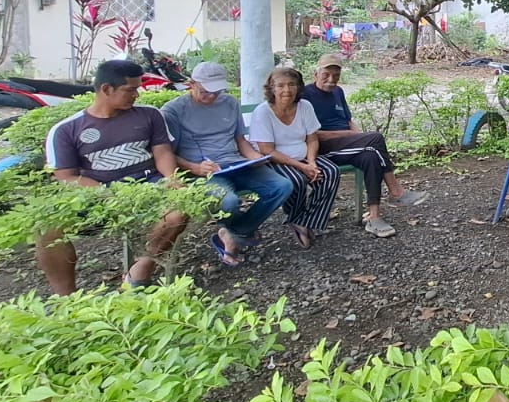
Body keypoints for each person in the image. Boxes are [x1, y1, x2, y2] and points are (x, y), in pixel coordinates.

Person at [39, 58, 190, 294]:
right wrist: (104, 193)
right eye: (130, 90)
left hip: (148, 185)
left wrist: (172, 178)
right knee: (47, 228)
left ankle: (140, 269)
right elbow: (66, 176)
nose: (136, 95)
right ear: (106, 89)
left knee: (179, 210)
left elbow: (162, 152)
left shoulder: (149, 115)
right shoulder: (66, 130)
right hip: (98, 194)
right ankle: (66, 298)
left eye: (138, 89)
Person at [160, 61, 294, 268]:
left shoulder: (229, 102)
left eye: (217, 91)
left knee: (282, 186)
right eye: (206, 92)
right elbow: (166, 153)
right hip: (203, 172)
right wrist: (195, 168)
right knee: (229, 203)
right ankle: (237, 233)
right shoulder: (173, 111)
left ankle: (233, 233)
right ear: (191, 84)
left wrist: (254, 157)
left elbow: (240, 140)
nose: (212, 96)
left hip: (236, 163)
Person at [302, 53, 427, 237]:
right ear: (316, 74)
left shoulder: (338, 92)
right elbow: (310, 135)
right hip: (324, 148)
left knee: (370, 155)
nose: (331, 79)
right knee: (375, 138)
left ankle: (374, 218)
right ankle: (396, 191)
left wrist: (358, 135)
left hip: (347, 144)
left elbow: (348, 120)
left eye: (336, 75)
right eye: (326, 75)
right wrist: (350, 135)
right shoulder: (306, 95)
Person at [248, 67, 342, 249]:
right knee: (296, 180)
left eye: (292, 84)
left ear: (299, 87)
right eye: (280, 85)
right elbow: (267, 150)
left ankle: (303, 220)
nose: (287, 90)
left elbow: (312, 138)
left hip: (304, 155)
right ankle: (298, 219)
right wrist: (302, 167)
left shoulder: (304, 106)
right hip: (276, 159)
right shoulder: (263, 112)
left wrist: (312, 162)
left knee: (330, 172)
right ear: (271, 88)